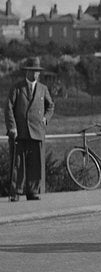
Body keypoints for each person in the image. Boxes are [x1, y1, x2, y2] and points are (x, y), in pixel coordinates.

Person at [5, 57, 55, 201]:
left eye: (37, 71)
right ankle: (16, 192)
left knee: (35, 163)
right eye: (33, 71)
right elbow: (8, 108)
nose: (35, 74)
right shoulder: (17, 88)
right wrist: (12, 127)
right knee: (18, 164)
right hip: (19, 133)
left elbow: (51, 106)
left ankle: (32, 191)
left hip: (37, 132)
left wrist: (45, 118)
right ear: (27, 71)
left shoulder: (43, 89)